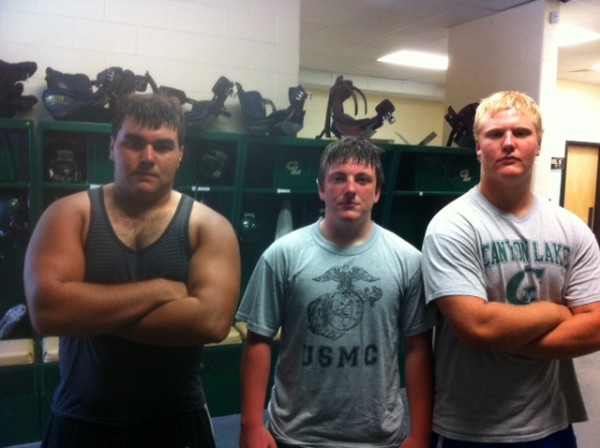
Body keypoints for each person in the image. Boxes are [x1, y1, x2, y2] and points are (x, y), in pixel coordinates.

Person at [24, 93, 241, 448]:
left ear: (181, 154)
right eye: (134, 143)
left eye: (164, 146)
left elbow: (210, 322)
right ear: (112, 146)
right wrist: (160, 291)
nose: (148, 158)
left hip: (177, 422)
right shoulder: (68, 215)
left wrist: (88, 314)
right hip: (81, 419)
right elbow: (49, 312)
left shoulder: (209, 227)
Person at [421, 90, 600, 447]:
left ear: (537, 145)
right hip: (470, 429)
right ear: (477, 147)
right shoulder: (452, 226)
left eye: (520, 133)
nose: (508, 143)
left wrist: (509, 336)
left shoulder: (571, 229)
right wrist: (555, 311)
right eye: (494, 134)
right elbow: (476, 327)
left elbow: (594, 325)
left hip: (551, 424)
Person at [236, 137, 435, 448]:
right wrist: (250, 425)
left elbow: (418, 349)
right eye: (338, 178)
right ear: (321, 188)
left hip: (379, 438)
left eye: (363, 179)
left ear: (378, 191)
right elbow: (258, 339)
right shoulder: (282, 255)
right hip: (295, 436)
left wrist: (421, 434)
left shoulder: (408, 261)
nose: (350, 189)